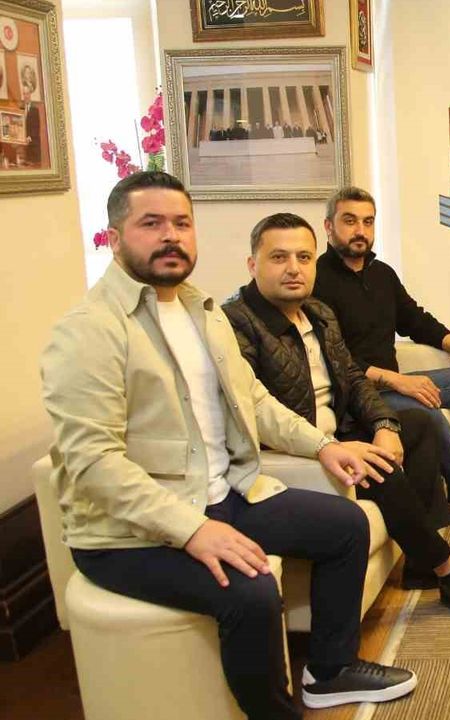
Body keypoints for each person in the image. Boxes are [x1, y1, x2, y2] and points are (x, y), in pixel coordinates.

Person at [41, 172, 419, 717]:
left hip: (223, 495)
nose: (170, 236)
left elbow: (254, 400)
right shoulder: (88, 330)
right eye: (151, 223)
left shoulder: (201, 312)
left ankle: (330, 671)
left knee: (345, 525)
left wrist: (322, 446)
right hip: (129, 535)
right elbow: (93, 463)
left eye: (181, 223)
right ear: (115, 237)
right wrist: (192, 529)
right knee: (252, 589)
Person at [223, 212, 450, 621]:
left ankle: (425, 554)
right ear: (252, 264)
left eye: (303, 257)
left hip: (341, 429)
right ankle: (449, 572)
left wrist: (384, 425)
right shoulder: (235, 325)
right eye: (279, 257)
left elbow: (352, 376)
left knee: (417, 425)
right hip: (301, 450)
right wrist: (336, 443)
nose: (293, 268)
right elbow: (256, 415)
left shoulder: (318, 312)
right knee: (383, 465)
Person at [313, 187, 450, 530]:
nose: (360, 231)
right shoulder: (317, 281)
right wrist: (398, 381)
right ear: (329, 226)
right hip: (357, 397)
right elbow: (332, 359)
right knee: (426, 410)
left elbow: (415, 320)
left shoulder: (382, 274)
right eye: (350, 221)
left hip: (393, 384)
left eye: (368, 222)